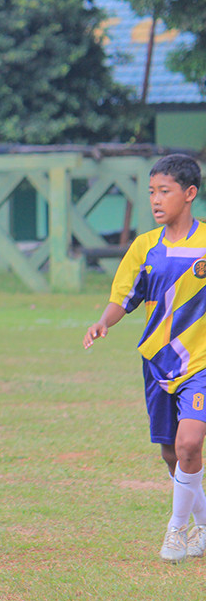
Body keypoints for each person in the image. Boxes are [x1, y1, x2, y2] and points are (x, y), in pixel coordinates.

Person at [83, 154, 206, 564]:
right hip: (157, 362)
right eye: (152, 191)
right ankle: (202, 521)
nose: (155, 200)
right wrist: (104, 321)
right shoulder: (145, 247)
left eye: (164, 191)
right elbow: (124, 297)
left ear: (189, 194)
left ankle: (176, 531)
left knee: (190, 442)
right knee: (172, 453)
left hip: (200, 364)